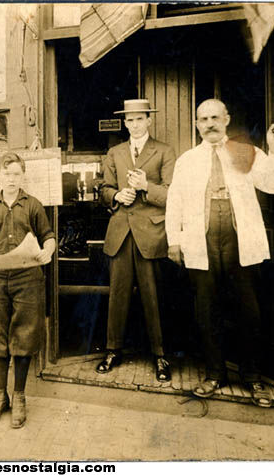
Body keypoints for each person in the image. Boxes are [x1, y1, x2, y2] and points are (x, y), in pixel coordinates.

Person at [165, 98, 274, 407]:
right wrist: (174, 241)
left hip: (238, 239)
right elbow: (175, 202)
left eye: (215, 118)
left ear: (227, 119)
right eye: (203, 119)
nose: (210, 124)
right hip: (201, 240)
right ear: (196, 124)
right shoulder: (187, 160)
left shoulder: (244, 152)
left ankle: (253, 378)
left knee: (249, 310)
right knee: (207, 310)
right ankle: (214, 375)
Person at [0, 152, 55, 428]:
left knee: (24, 336)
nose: (11, 179)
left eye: (16, 174)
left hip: (27, 280)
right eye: (6, 174)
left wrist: (47, 252)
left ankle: (19, 396)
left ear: (23, 176)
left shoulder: (33, 205)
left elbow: (48, 237)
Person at [97, 99, 176, 382]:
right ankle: (112, 350)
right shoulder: (115, 152)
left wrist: (145, 187)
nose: (134, 125)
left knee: (153, 297)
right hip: (120, 233)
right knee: (117, 296)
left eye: (139, 119)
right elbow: (104, 189)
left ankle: (160, 355)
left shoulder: (164, 151)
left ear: (149, 120)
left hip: (151, 234)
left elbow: (171, 194)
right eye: (129, 120)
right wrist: (116, 196)